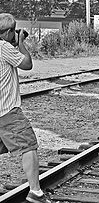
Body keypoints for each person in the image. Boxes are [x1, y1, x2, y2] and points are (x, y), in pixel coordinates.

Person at [0, 13, 51, 203]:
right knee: (28, 146)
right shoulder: (4, 47)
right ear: (8, 32)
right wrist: (21, 42)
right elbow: (27, 64)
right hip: (7, 110)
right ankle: (36, 193)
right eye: (13, 31)